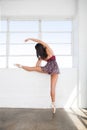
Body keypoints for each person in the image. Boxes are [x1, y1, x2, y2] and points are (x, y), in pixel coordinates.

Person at [15, 38, 60, 114]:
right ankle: (53, 103)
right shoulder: (48, 49)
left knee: (34, 68)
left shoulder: (42, 56)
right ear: (42, 46)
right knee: (52, 88)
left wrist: (40, 60)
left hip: (47, 68)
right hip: (55, 69)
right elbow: (39, 41)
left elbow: (37, 66)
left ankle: (21, 66)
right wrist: (29, 39)